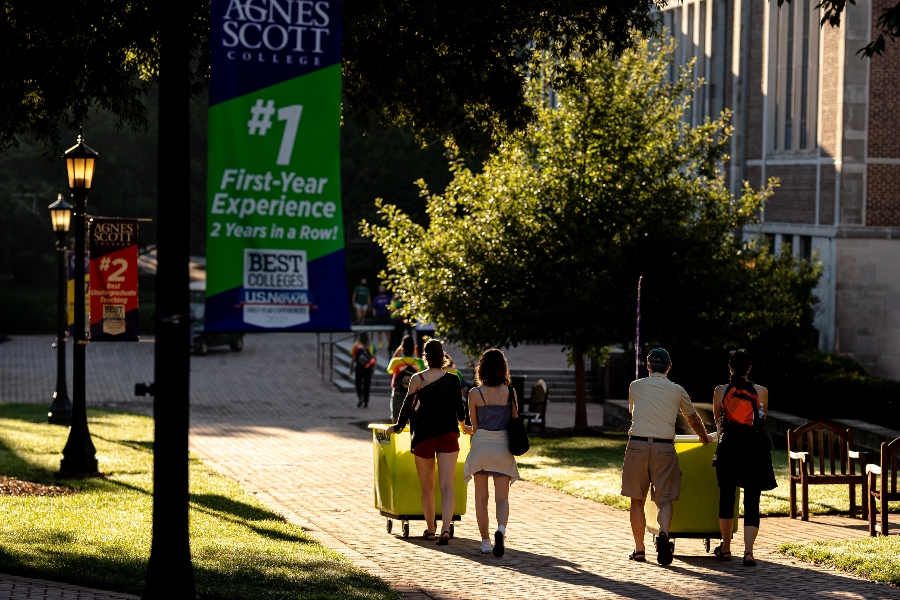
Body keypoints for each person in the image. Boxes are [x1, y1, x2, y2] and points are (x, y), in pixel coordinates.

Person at [621, 348, 711, 566]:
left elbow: (634, 412)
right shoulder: (677, 390)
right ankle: (663, 534)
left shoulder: (635, 386)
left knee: (637, 499)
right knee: (664, 499)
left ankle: (640, 550)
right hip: (664, 448)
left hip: (637, 445)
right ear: (669, 367)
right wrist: (705, 438)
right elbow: (693, 419)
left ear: (648, 366)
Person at [389, 339, 467, 544]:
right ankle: (445, 530)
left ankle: (430, 530)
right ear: (443, 357)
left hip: (423, 435)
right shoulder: (453, 379)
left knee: (427, 487)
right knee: (448, 486)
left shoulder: (418, 379)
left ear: (425, 357)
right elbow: (460, 410)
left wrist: (396, 428)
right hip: (448, 434)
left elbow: (406, 408)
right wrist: (464, 426)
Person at [712, 349, 777, 567]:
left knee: (727, 497)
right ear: (749, 368)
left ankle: (726, 548)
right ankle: (748, 553)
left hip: (730, 447)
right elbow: (762, 418)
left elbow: (718, 422)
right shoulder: (762, 391)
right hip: (755, 449)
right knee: (752, 501)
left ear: (729, 367)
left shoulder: (721, 390)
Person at [462, 348, 521, 557]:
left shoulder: (474, 393)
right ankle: (501, 530)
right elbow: (514, 420)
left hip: (481, 447)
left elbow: (475, 427)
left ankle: (486, 542)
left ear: (482, 369)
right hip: (503, 445)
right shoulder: (510, 392)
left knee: (481, 498)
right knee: (502, 498)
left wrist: (464, 428)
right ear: (503, 368)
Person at [386, 336, 424, 422]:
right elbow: (422, 370)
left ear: (402, 349)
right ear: (413, 348)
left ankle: (396, 434)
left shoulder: (396, 362)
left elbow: (389, 370)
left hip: (398, 391)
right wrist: (417, 352)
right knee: (411, 418)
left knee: (396, 418)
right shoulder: (418, 362)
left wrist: (397, 351)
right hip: (413, 393)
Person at [349, 332, 376, 408]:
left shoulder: (356, 346)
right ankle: (366, 401)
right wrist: (373, 369)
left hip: (359, 368)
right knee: (367, 385)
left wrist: (351, 368)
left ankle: (360, 396)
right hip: (368, 368)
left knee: (358, 383)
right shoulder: (371, 346)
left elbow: (353, 359)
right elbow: (374, 359)